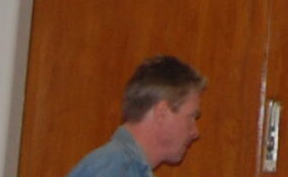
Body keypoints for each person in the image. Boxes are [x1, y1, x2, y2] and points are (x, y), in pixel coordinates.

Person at [65, 55, 206, 176]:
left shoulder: (122, 168)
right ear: (162, 113)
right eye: (191, 117)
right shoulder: (113, 168)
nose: (195, 132)